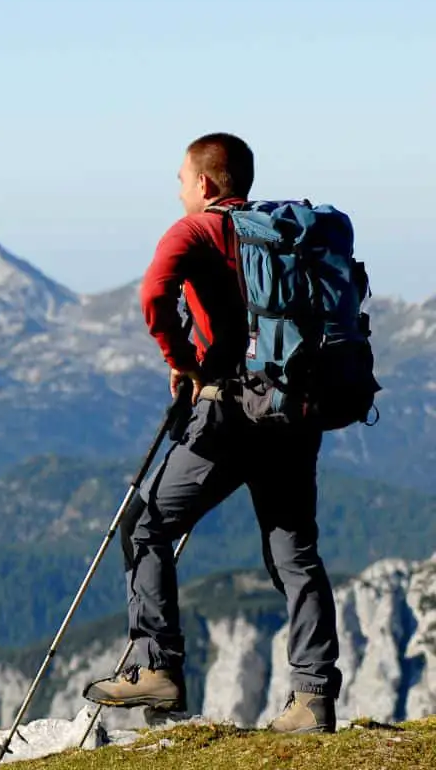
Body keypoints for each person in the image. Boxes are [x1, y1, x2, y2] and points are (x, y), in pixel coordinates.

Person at [80, 133, 342, 734]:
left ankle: (157, 665)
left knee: (145, 522)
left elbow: (153, 296)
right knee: (295, 555)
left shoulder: (193, 231)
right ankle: (312, 697)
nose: (177, 191)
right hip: (292, 410)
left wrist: (182, 360)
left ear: (203, 184)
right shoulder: (278, 234)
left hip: (226, 414)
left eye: (179, 180)